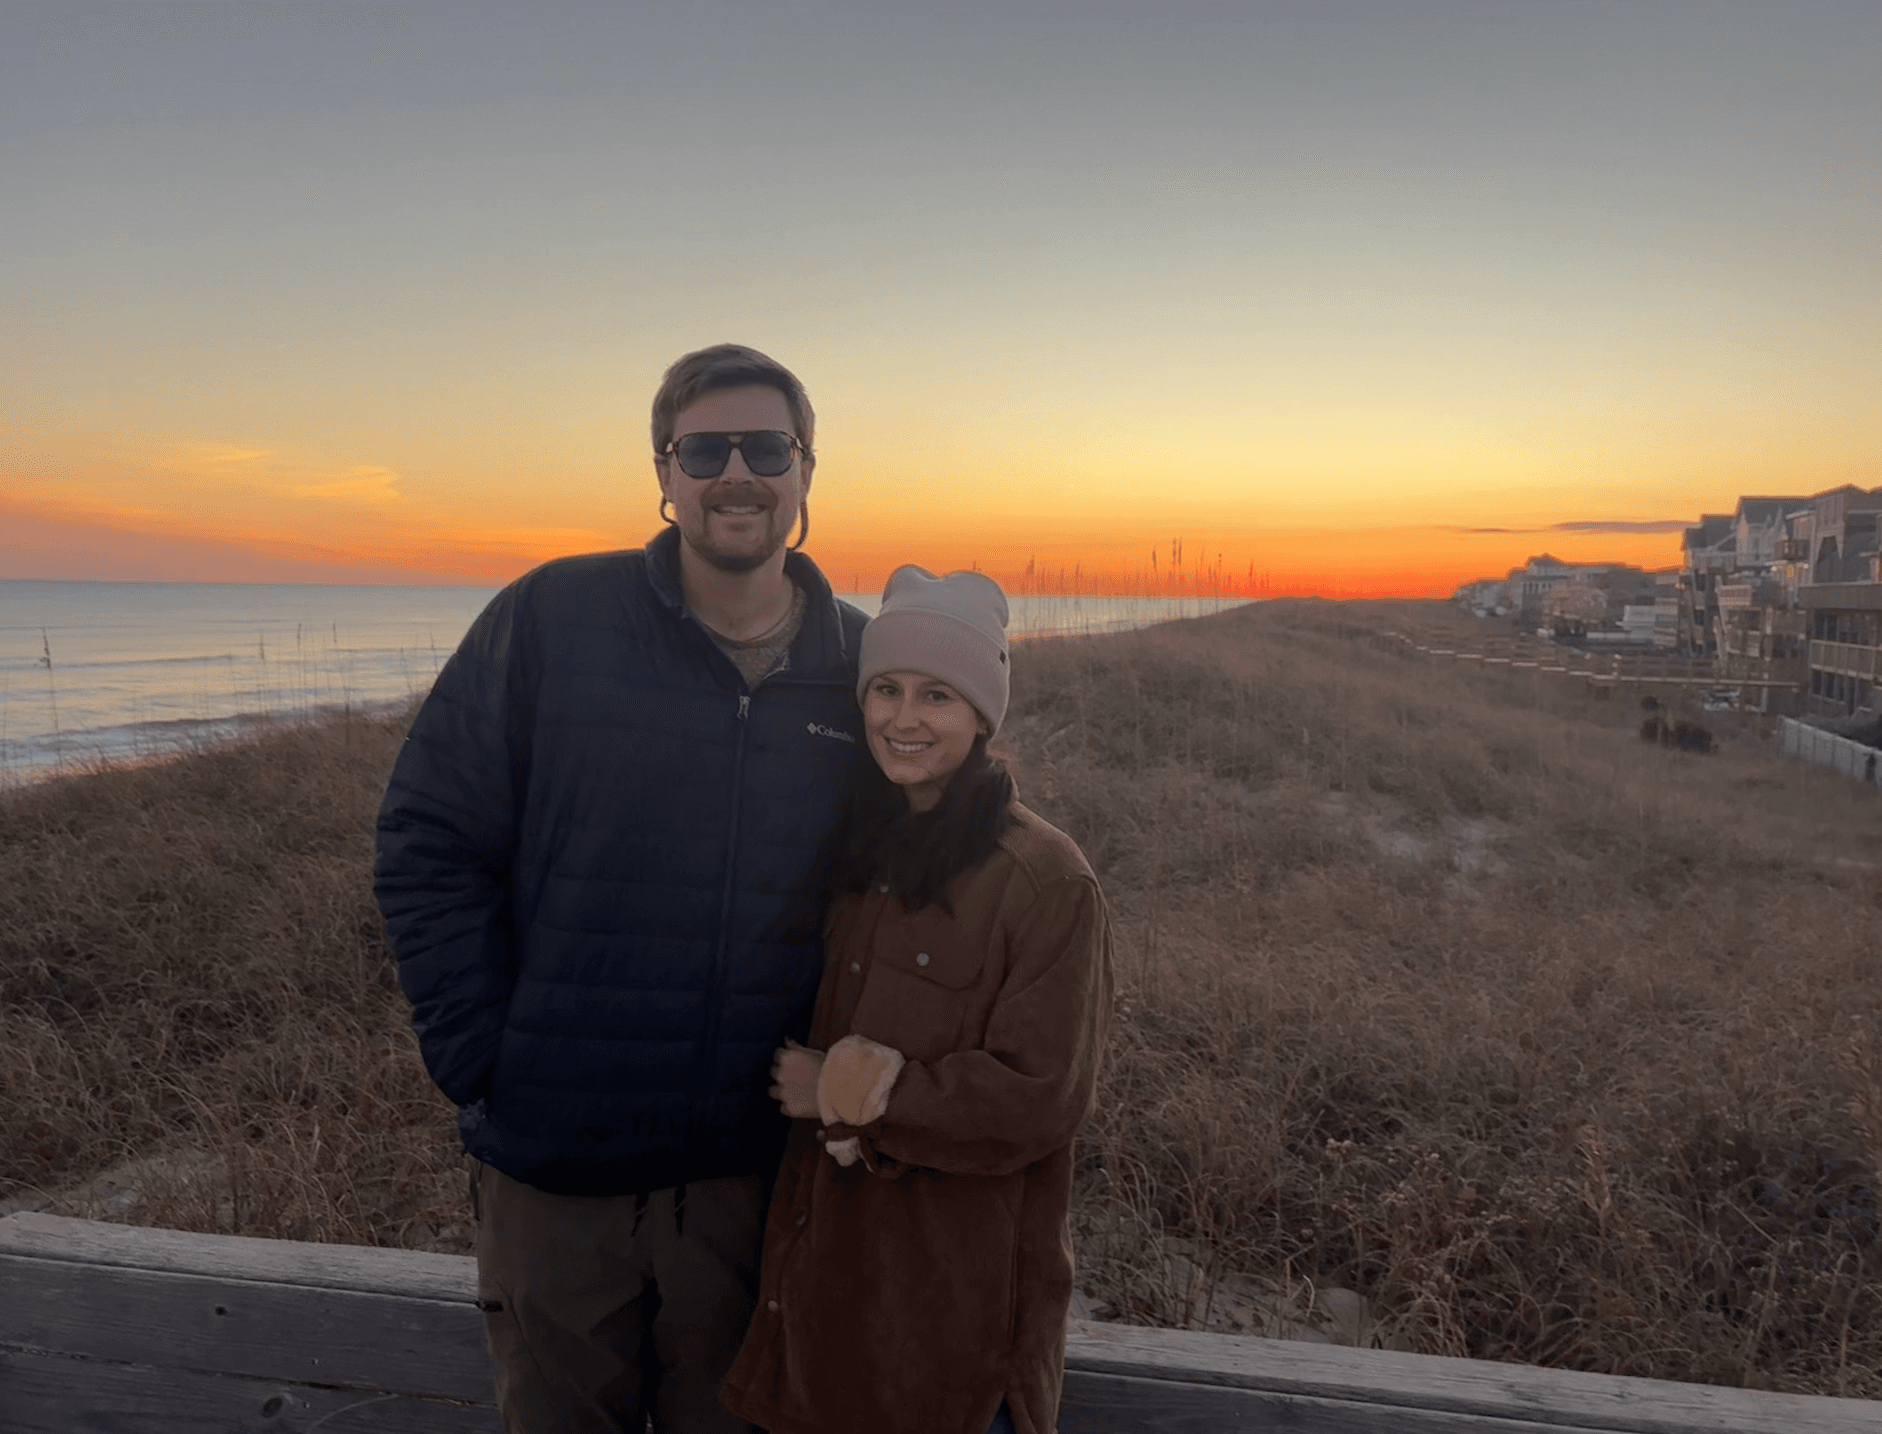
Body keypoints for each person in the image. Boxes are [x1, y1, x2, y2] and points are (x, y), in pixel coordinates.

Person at [374, 343, 869, 1434]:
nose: (736, 471)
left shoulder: (861, 663)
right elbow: (427, 835)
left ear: (806, 472)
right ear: (665, 472)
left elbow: (919, 876)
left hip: (750, 1182)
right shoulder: (554, 617)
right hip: (557, 1177)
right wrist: (482, 1058)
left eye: (767, 448)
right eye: (705, 448)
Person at [719, 566, 1115, 1434]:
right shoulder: (860, 851)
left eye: (938, 695)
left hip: (953, 1350)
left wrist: (848, 1087)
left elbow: (1040, 1097)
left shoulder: (1045, 880)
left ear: (982, 714)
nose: (904, 718)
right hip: (824, 1311)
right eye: (886, 689)